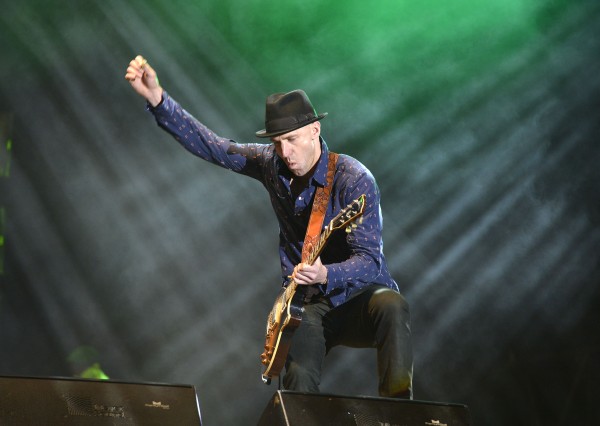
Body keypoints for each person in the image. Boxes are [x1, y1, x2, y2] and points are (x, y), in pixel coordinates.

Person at [125, 55, 413, 398]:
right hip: (306, 304)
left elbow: (370, 261)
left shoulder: (353, 179)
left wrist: (326, 273)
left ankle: (401, 413)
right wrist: (157, 99)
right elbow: (214, 146)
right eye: (277, 142)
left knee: (392, 305)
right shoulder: (270, 163)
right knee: (298, 376)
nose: (285, 152)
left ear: (315, 130)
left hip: (356, 296)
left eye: (292, 139)